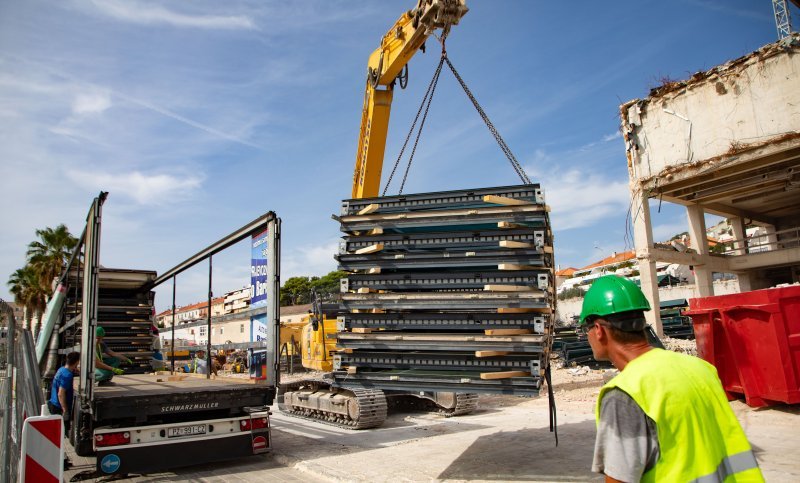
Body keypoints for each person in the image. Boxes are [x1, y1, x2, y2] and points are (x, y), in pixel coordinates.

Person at [579, 275, 763, 483]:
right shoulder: (701, 368)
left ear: (598, 330)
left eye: (586, 330)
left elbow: (620, 479)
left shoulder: (625, 392)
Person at [49, 351, 80, 432]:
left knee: (57, 431)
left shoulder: (61, 369)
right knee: (61, 432)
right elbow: (61, 393)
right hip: (59, 407)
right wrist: (65, 410)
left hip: (54, 403)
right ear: (77, 362)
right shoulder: (67, 375)